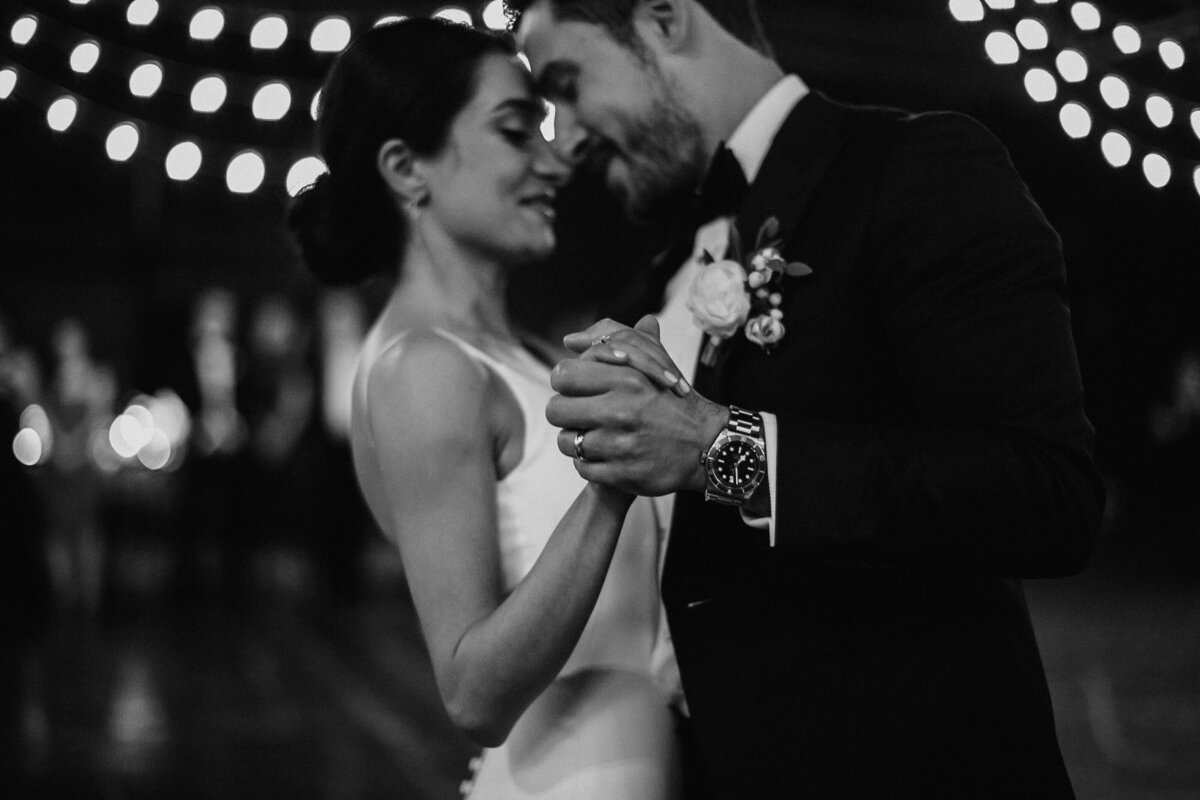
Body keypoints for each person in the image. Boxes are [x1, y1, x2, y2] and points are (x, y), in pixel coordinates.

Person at [508, 0, 1107, 796]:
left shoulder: (919, 165)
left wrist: (727, 452)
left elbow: (1046, 494)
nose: (568, 138)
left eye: (568, 83)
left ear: (662, 20)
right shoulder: (660, 274)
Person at [287, 18, 684, 799]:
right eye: (515, 132)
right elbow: (472, 691)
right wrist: (613, 469)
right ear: (407, 169)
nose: (554, 160)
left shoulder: (528, 354)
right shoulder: (422, 369)